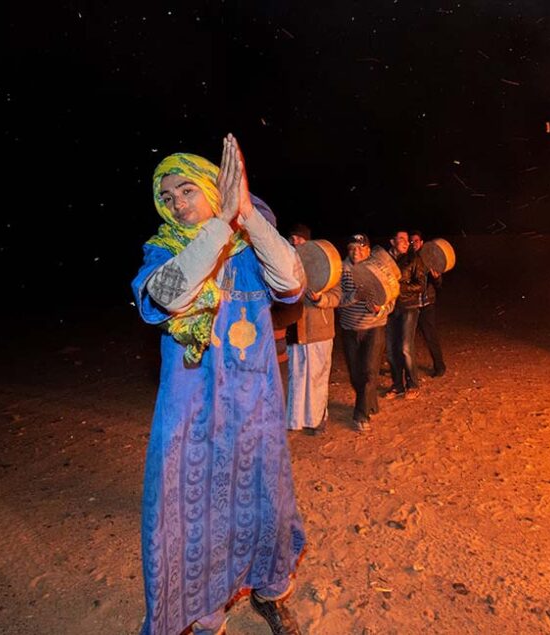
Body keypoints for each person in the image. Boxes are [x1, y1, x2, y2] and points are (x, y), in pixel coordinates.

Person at [131, 136, 305, 635]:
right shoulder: (164, 251)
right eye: (167, 197)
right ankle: (207, 616)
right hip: (192, 415)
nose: (177, 203)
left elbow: (291, 281)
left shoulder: (251, 251)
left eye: (187, 190)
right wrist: (217, 227)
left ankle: (270, 591)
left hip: (254, 409)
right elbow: (165, 295)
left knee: (265, 504)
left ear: (215, 187)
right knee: (193, 519)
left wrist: (245, 215)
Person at [285, 224, 338, 435]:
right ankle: (297, 419)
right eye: (292, 238)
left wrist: (321, 299)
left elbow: (338, 294)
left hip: (319, 330)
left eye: (300, 238)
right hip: (295, 330)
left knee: (317, 377)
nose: (296, 242)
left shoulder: (325, 263)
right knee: (297, 376)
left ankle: (318, 418)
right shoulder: (287, 264)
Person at [336, 233, 391, 431]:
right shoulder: (340, 269)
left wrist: (381, 308)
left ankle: (361, 415)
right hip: (350, 328)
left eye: (360, 248)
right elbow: (336, 300)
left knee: (369, 371)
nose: (356, 252)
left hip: (374, 327)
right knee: (355, 374)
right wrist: (355, 296)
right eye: (352, 248)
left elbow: (391, 297)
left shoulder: (378, 268)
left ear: (368, 250)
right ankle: (370, 402)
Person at [385, 230, 427, 398]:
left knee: (405, 347)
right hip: (390, 308)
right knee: (391, 349)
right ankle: (397, 385)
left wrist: (399, 287)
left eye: (406, 239)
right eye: (401, 239)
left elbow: (421, 285)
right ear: (392, 241)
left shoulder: (414, 259)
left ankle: (413, 384)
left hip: (409, 306)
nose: (405, 241)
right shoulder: (385, 261)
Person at [409, 230, 446, 377]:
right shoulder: (407, 259)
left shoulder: (429, 259)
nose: (413, 244)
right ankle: (407, 368)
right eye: (411, 241)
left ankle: (440, 366)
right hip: (411, 305)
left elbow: (439, 285)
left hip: (426, 304)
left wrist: (437, 278)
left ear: (422, 243)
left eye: (416, 241)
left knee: (430, 336)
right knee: (407, 338)